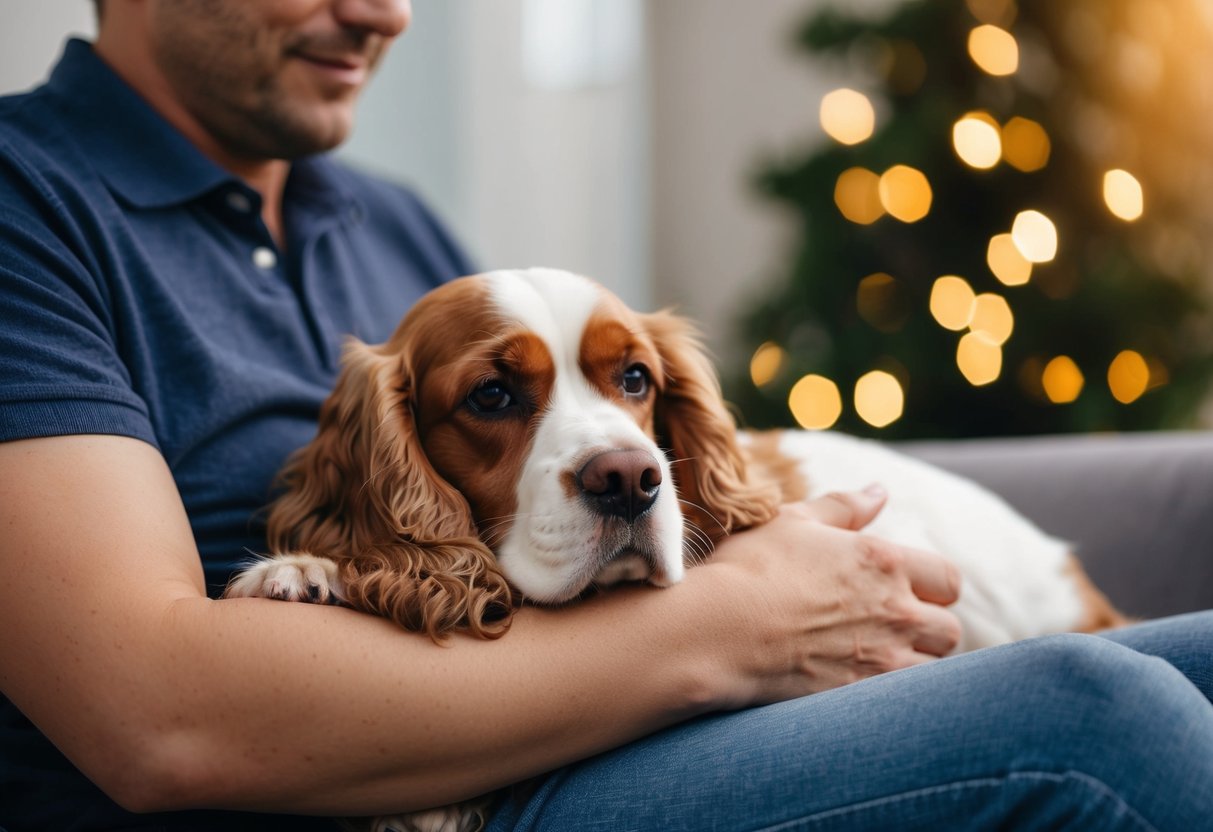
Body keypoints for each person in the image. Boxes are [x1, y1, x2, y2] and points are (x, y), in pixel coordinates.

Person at [0, 1, 1210, 830]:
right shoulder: (28, 205)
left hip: (614, 713)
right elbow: (147, 710)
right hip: (460, 790)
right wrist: (737, 618)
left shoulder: (392, 222)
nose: (387, 11)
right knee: (1093, 716)